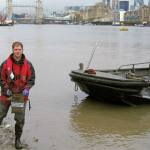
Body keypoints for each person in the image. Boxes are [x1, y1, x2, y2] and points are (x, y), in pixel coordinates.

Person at [0, 41, 35, 149]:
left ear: (22, 50)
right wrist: (6, 88)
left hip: (20, 96)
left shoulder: (28, 65)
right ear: (13, 50)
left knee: (19, 120)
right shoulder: (5, 64)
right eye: (15, 49)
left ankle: (17, 140)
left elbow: (31, 79)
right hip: (6, 95)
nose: (17, 51)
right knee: (0, 115)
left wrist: (27, 88)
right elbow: (1, 79)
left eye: (19, 49)